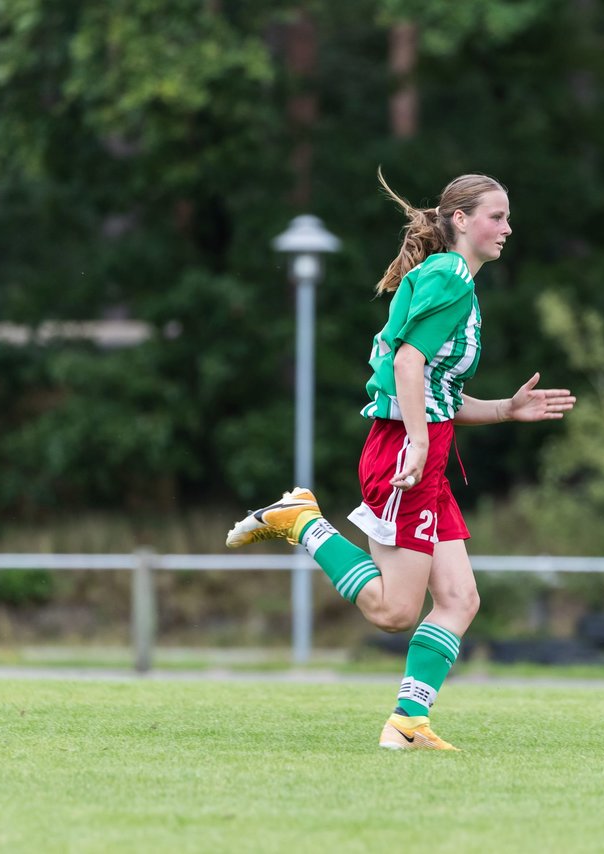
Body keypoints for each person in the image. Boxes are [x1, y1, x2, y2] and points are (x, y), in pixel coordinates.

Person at [227, 169, 575, 750]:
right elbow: (410, 365)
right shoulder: (452, 277)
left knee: (461, 599)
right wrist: (416, 440)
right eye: (497, 216)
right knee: (393, 611)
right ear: (460, 220)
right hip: (406, 450)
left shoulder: (447, 275)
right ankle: (304, 523)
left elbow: (432, 390)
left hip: (423, 448)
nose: (507, 228)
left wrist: (504, 411)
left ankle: (408, 724)